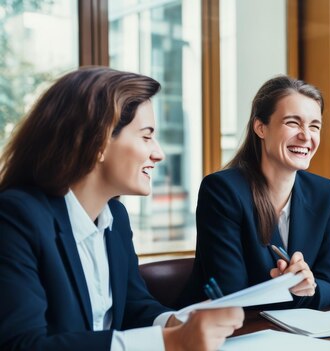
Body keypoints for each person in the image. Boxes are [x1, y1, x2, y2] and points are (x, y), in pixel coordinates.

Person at [0, 67, 243, 351]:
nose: (159, 153)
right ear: (99, 141)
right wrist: (170, 342)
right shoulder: (16, 217)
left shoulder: (116, 217)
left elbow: (132, 306)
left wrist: (177, 322)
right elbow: (20, 345)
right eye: (146, 136)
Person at [180, 75, 330, 310]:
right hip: (225, 332)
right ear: (260, 127)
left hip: (294, 333)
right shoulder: (222, 191)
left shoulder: (327, 194)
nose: (306, 136)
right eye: (293, 123)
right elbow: (231, 295)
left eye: (314, 126)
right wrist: (287, 286)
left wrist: (307, 288)